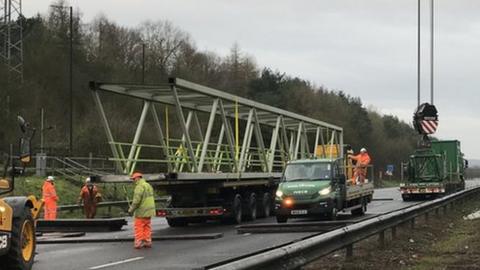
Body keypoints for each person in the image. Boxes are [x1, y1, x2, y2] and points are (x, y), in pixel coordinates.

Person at [128, 172, 155, 249]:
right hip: (149, 210)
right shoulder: (148, 185)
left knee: (139, 227)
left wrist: (131, 210)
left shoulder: (139, 187)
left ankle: (138, 243)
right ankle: (147, 242)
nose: (133, 180)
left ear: (138, 178)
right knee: (147, 226)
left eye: (133, 179)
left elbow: (136, 201)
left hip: (142, 211)